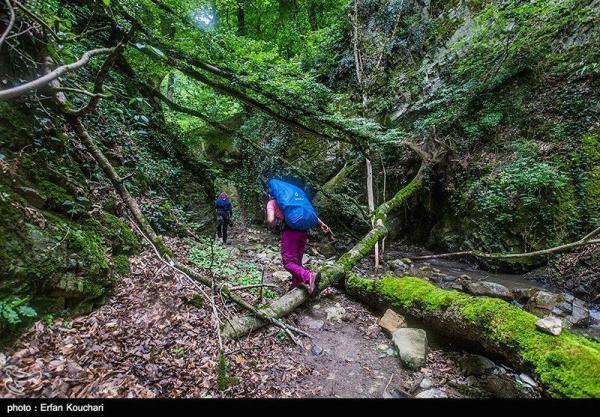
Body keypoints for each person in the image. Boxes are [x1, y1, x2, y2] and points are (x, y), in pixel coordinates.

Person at [265, 189, 332, 295]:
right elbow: (308, 211)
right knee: (297, 262)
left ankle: (309, 276)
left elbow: (270, 219)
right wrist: (321, 224)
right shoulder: (292, 200)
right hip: (303, 232)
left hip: (290, 232)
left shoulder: (272, 202)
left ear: (270, 194)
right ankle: (295, 287)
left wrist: (271, 222)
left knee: (289, 263)